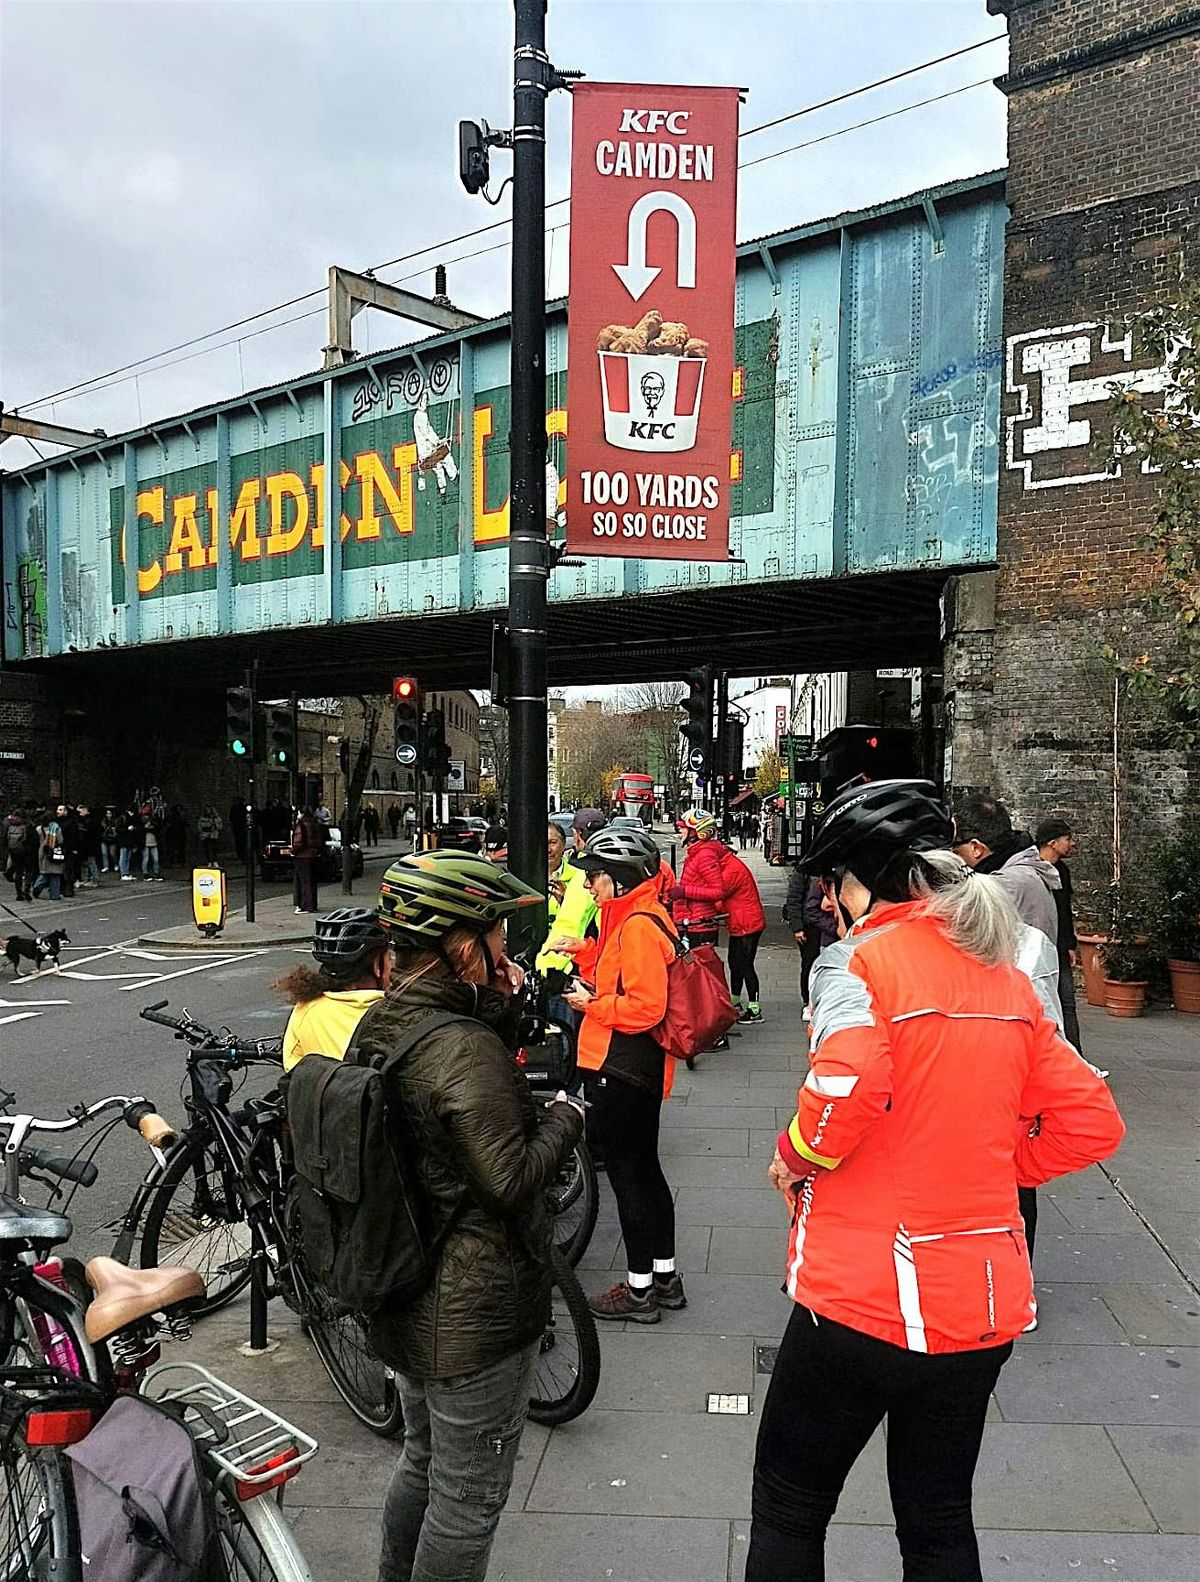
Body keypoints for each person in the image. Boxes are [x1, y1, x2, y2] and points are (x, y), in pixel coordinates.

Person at [748, 780, 1124, 1582]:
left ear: (868, 881)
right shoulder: (1006, 980)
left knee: (790, 1502)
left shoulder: (859, 962)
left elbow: (848, 1082)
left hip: (856, 1299)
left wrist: (796, 1153)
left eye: (834, 882)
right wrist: (994, 1161)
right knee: (939, 1522)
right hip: (981, 1303)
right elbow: (1094, 1120)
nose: (829, 899)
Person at [360, 851, 583, 1582]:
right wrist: (566, 1116)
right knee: (468, 1497)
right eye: (494, 936)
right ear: (463, 949)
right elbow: (510, 1180)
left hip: (408, 1285)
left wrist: (501, 1004)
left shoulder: (387, 1020)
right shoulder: (462, 1049)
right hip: (474, 1310)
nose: (505, 950)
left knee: (423, 1462)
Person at [549, 825, 684, 1325]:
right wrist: (581, 952)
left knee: (630, 1178)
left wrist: (591, 1004)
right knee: (646, 1172)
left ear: (623, 880)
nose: (590, 886)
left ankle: (639, 1289)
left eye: (599, 878)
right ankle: (666, 1279)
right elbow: (619, 970)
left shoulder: (637, 925)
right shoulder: (629, 917)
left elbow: (646, 1006)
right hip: (631, 1063)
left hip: (622, 1065)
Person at [674, 808, 767, 1024]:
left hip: (747, 923)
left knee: (744, 965)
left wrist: (688, 895)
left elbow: (718, 895)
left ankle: (754, 1008)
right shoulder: (725, 863)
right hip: (740, 922)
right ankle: (735, 1001)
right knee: (736, 963)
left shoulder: (732, 869)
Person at [276, 909, 391, 1070]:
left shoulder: (305, 1009)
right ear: (377, 965)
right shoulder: (398, 1012)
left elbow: (291, 1070)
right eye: (389, 956)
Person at [954, 793, 1060, 945]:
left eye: (956, 850)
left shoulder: (1004, 885)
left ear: (976, 848)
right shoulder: (1027, 870)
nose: (956, 858)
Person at [1036, 817, 1083, 1053]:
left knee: (1067, 1002)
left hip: (1059, 946)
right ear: (1052, 842)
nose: (1072, 843)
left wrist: (1069, 944)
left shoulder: (1062, 871)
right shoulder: (1029, 871)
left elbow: (1064, 910)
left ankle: (1075, 1056)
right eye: (1068, 839)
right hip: (1037, 948)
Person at [785, 867, 838, 1003]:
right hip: (809, 926)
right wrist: (797, 928)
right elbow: (794, 899)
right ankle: (807, 999)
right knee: (809, 962)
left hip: (824, 926)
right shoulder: (803, 871)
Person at [292, 806, 321, 915]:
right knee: (311, 881)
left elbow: (299, 841)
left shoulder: (301, 824)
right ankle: (312, 905)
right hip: (312, 855)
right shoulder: (313, 823)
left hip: (303, 856)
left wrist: (293, 851)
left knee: (304, 882)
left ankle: (306, 906)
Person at [5, 808, 37, 903]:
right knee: (29, 872)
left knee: (18, 873)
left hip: (15, 853)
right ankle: (26, 890)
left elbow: (5, 839)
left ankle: (19, 894)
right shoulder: (29, 826)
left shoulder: (11, 826)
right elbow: (35, 841)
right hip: (28, 853)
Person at [32, 809, 64, 901]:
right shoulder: (56, 828)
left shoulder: (39, 829)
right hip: (54, 852)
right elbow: (60, 840)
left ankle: (37, 887)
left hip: (42, 852)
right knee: (55, 875)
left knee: (44, 873)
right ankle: (54, 895)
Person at [75, 805, 101, 887]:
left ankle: (94, 879)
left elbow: (89, 831)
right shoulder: (84, 820)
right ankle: (86, 878)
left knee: (91, 862)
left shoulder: (90, 821)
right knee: (85, 863)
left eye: (80, 812)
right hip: (85, 845)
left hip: (89, 845)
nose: (79, 814)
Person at [118, 805, 142, 881]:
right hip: (124, 841)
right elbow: (118, 829)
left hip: (128, 841)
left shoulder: (128, 818)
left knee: (127, 858)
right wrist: (127, 829)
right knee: (124, 857)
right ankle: (123, 873)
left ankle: (126, 873)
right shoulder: (123, 818)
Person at [140, 805, 162, 881]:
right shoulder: (141, 822)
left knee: (156, 859)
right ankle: (145, 874)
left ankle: (156, 873)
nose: (146, 817)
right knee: (146, 859)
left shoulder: (153, 821)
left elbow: (157, 828)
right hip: (145, 843)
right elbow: (141, 830)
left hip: (153, 842)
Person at [99, 806, 119, 873]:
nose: (108, 815)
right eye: (107, 813)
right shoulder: (103, 821)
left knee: (112, 854)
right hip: (104, 838)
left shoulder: (115, 821)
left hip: (112, 839)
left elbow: (116, 830)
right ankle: (106, 866)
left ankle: (115, 864)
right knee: (104, 853)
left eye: (110, 813)